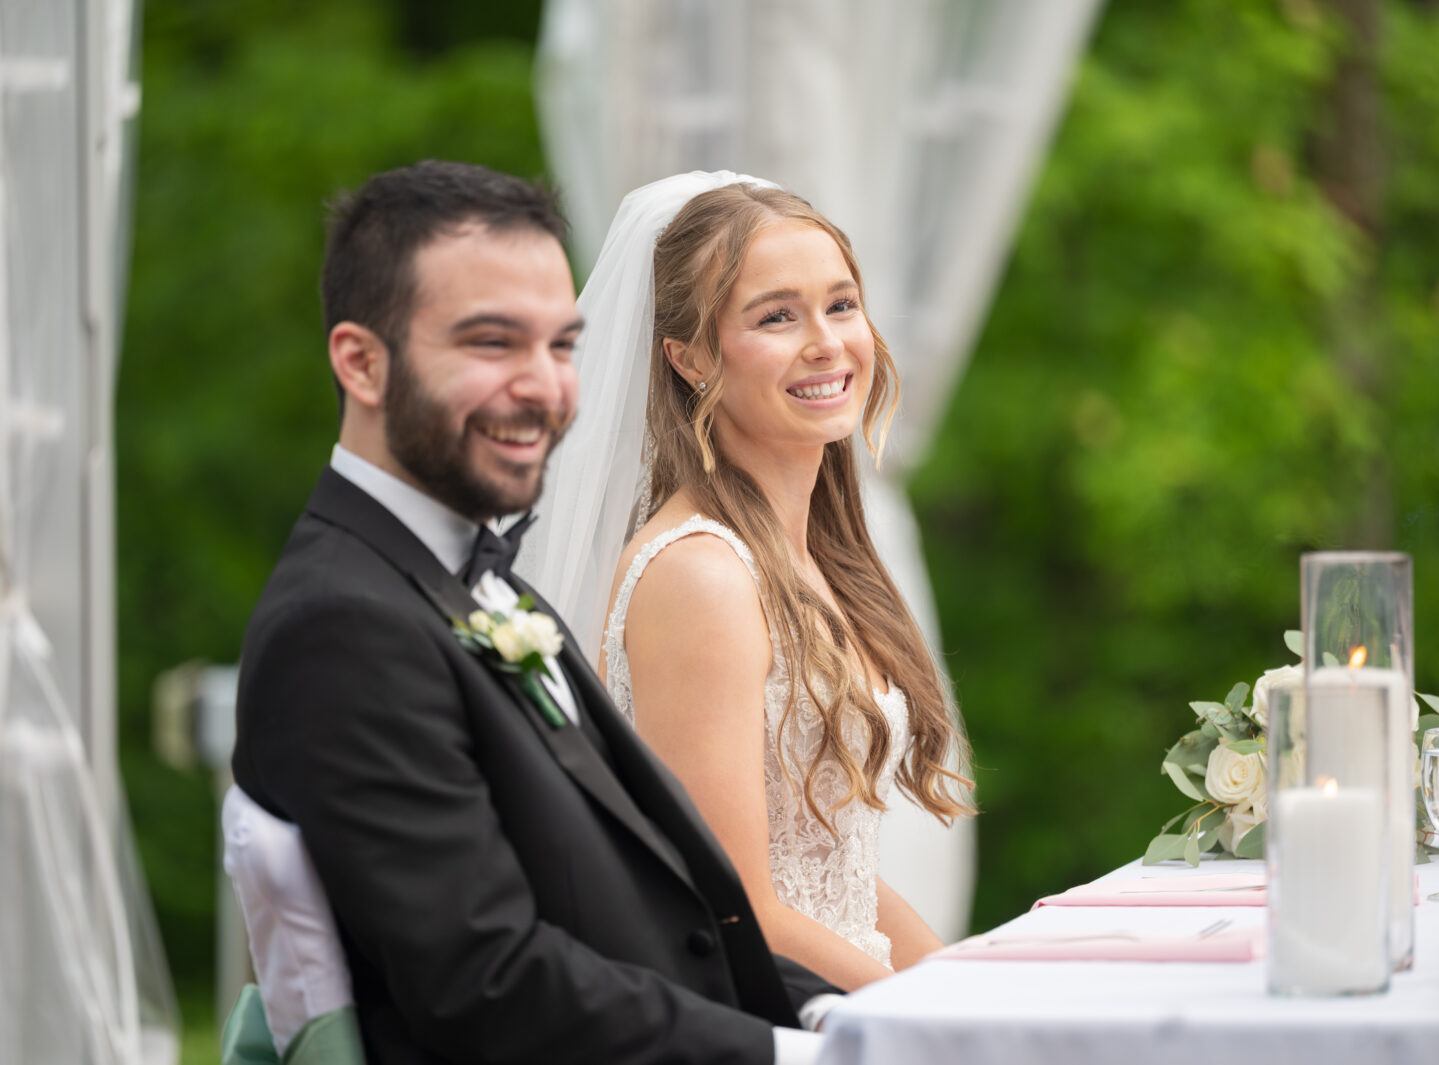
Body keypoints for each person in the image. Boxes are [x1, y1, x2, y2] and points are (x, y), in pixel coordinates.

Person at [230, 159, 838, 1065]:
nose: (543, 387)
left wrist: (839, 1016)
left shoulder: (475, 582)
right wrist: (797, 1056)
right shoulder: (343, 626)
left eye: (560, 346)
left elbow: (652, 909)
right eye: (490, 344)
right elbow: (486, 982)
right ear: (361, 362)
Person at [523, 173, 975, 993]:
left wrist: (971, 987)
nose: (828, 342)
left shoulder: (810, 559)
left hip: (843, 993)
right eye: (777, 316)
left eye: (841, 305)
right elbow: (740, 907)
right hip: (769, 1015)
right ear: (688, 357)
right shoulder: (701, 575)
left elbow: (836, 876)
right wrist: (933, 1016)